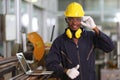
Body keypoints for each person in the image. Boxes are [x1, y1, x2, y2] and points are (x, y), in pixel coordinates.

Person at [45, 2, 114, 80]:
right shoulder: (59, 41)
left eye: (78, 19)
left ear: (82, 20)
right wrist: (66, 71)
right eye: (71, 19)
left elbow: (110, 47)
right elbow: (50, 65)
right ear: (66, 20)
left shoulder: (90, 37)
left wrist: (95, 28)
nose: (74, 23)